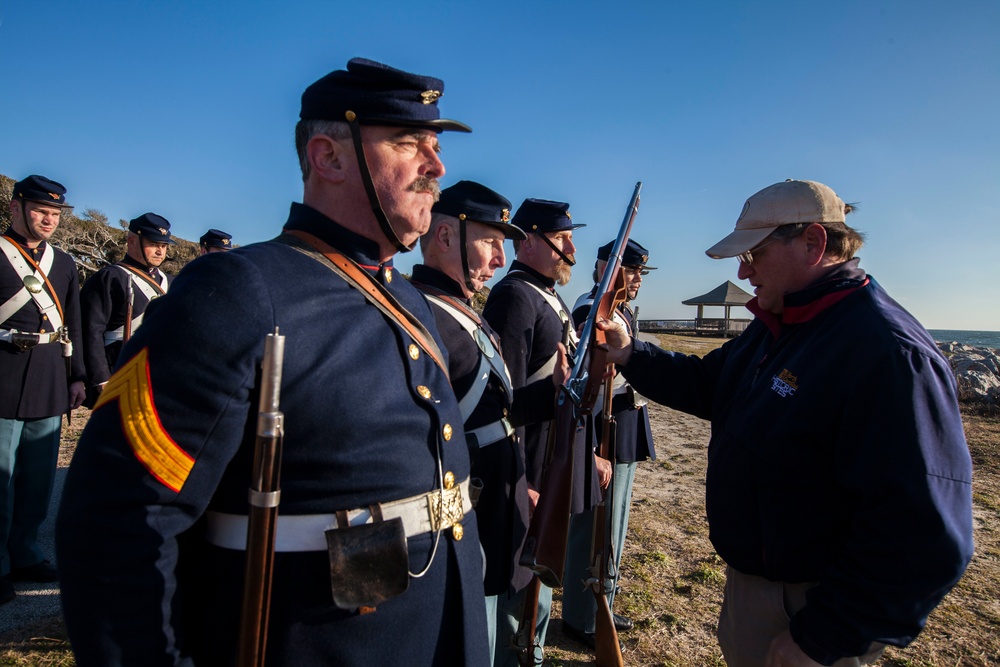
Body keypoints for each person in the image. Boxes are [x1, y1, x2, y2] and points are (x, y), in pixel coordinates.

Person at [57, 57, 489, 666]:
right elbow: (120, 522)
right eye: (408, 142)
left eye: (436, 145)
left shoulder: (410, 298)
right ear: (328, 156)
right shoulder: (237, 292)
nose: (437, 166)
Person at [597, 179, 974, 666]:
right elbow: (710, 383)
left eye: (753, 255)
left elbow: (923, 531)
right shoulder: (784, 324)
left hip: (810, 610)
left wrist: (826, 636)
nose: (742, 270)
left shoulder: (884, 352)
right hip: (759, 589)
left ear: (814, 243)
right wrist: (631, 353)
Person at [412, 180, 566, 666]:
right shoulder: (422, 317)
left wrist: (553, 393)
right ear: (443, 236)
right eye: (490, 241)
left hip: (497, 501)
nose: (501, 259)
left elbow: (495, 412)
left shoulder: (463, 314)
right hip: (461, 517)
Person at [482, 198, 605, 657]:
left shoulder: (548, 295)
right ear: (528, 241)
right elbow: (499, 404)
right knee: (517, 608)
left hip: (553, 465)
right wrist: (523, 481)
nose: (572, 248)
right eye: (561, 239)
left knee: (541, 594)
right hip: (531, 471)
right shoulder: (515, 296)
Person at [561, 238, 656, 647]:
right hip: (604, 424)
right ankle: (583, 617)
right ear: (606, 268)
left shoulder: (619, 310)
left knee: (613, 526)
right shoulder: (591, 308)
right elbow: (587, 383)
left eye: (640, 273)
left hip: (625, 422)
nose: (637, 280)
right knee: (595, 527)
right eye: (631, 270)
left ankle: (604, 602)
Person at [0, 175, 85, 603]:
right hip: (2, 375)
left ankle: (25, 553)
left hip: (50, 374)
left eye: (54, 214)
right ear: (15, 208)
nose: (48, 219)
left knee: (36, 479)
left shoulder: (65, 263)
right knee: (0, 478)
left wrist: (77, 376)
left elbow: (75, 324)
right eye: (40, 211)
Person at [79, 212, 174, 403]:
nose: (160, 251)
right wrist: (101, 378)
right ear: (131, 241)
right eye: (154, 244)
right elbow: (91, 331)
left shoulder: (170, 282)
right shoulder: (110, 277)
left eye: (163, 246)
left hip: (160, 374)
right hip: (120, 370)